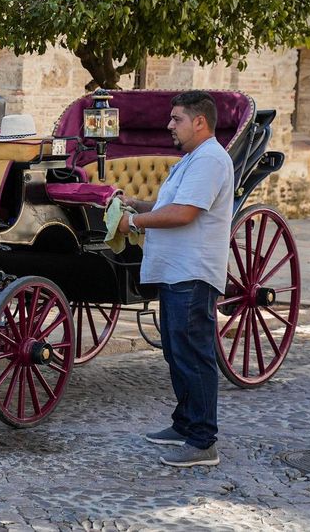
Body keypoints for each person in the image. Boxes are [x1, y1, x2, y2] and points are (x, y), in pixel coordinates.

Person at [117, 90, 233, 468]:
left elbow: (184, 214)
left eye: (176, 119)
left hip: (192, 272)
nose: (169, 125)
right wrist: (138, 204)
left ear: (199, 122)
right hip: (176, 271)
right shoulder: (192, 159)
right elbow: (171, 205)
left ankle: (202, 441)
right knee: (177, 352)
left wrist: (134, 222)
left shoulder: (210, 159)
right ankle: (185, 424)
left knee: (193, 355)